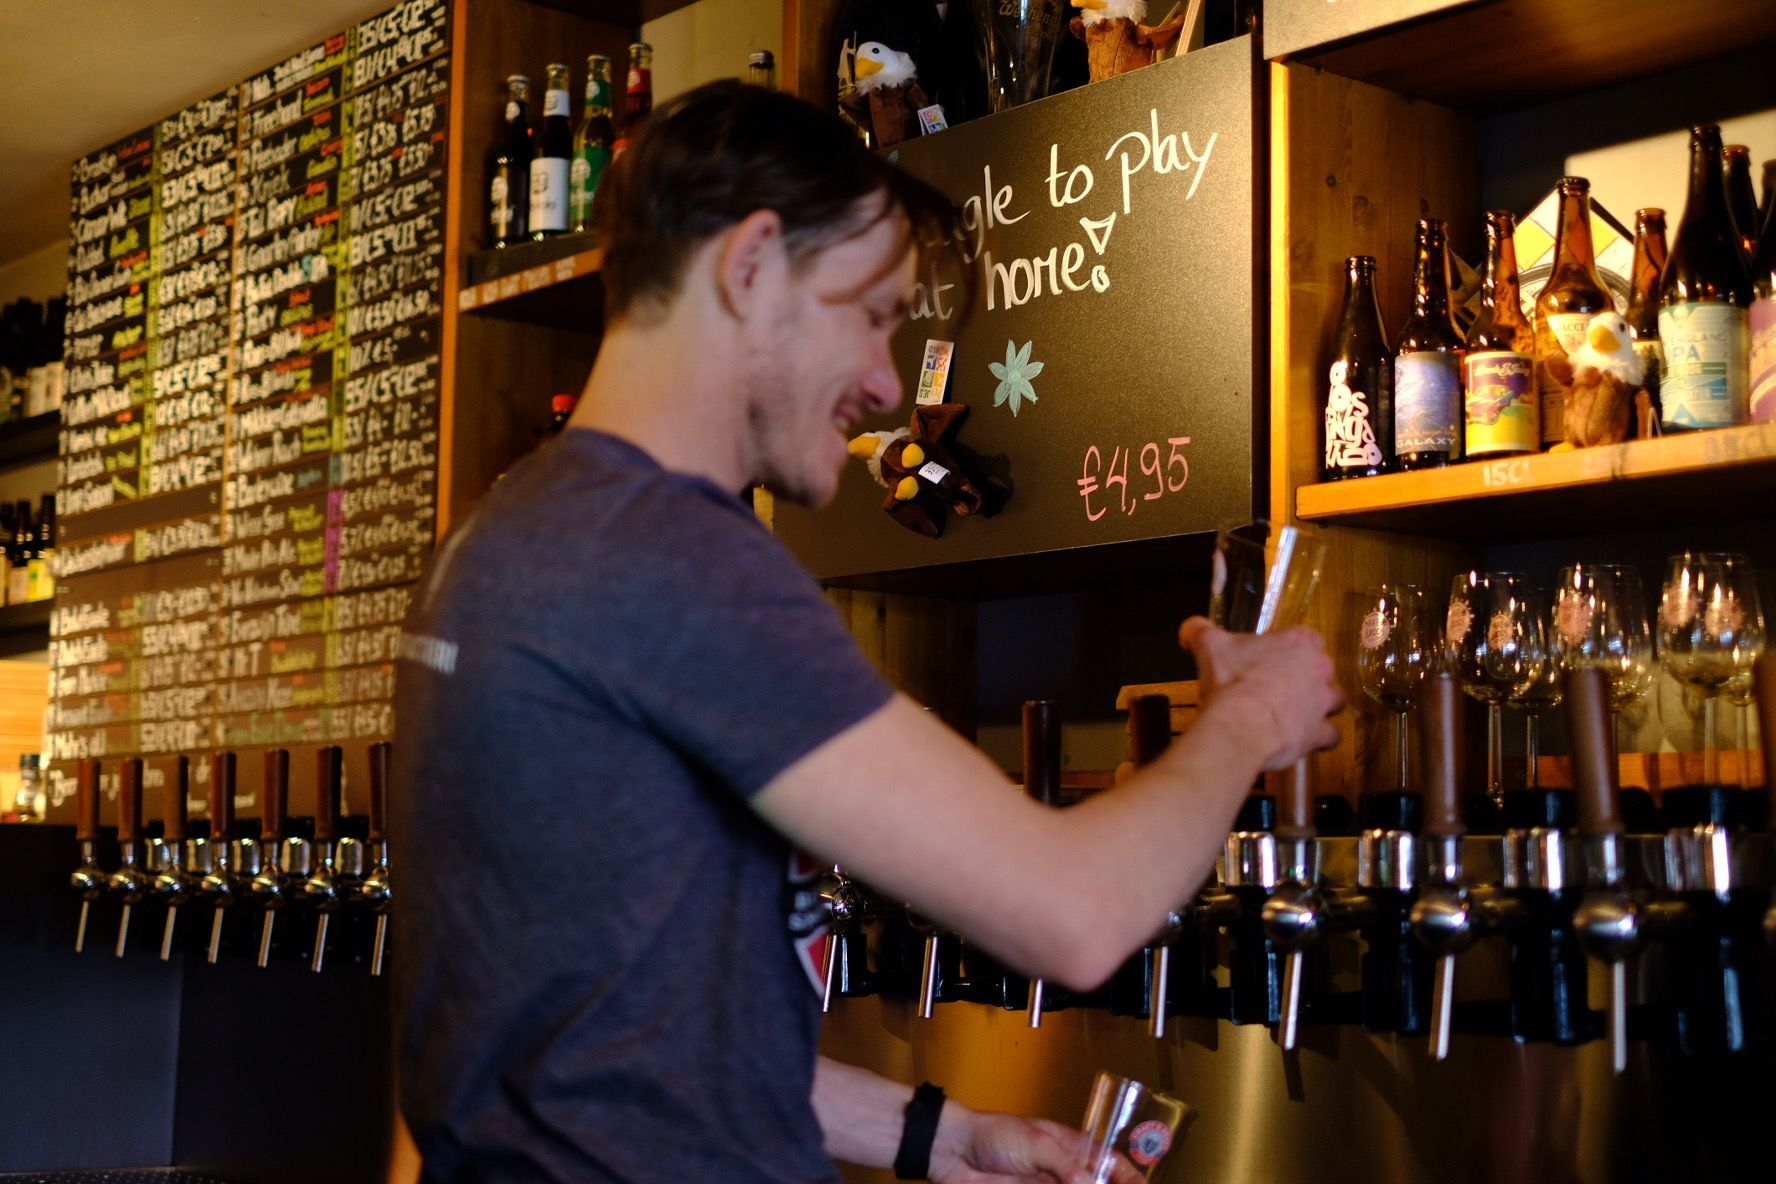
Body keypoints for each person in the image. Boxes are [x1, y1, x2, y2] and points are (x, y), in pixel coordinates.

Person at [391, 79, 1342, 1184]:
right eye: (873, 314)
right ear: (750, 267)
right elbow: (1079, 913)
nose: (889, 383)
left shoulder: (505, 535)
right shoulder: (671, 560)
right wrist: (1249, 717)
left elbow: (620, 1043)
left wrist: (942, 1136)